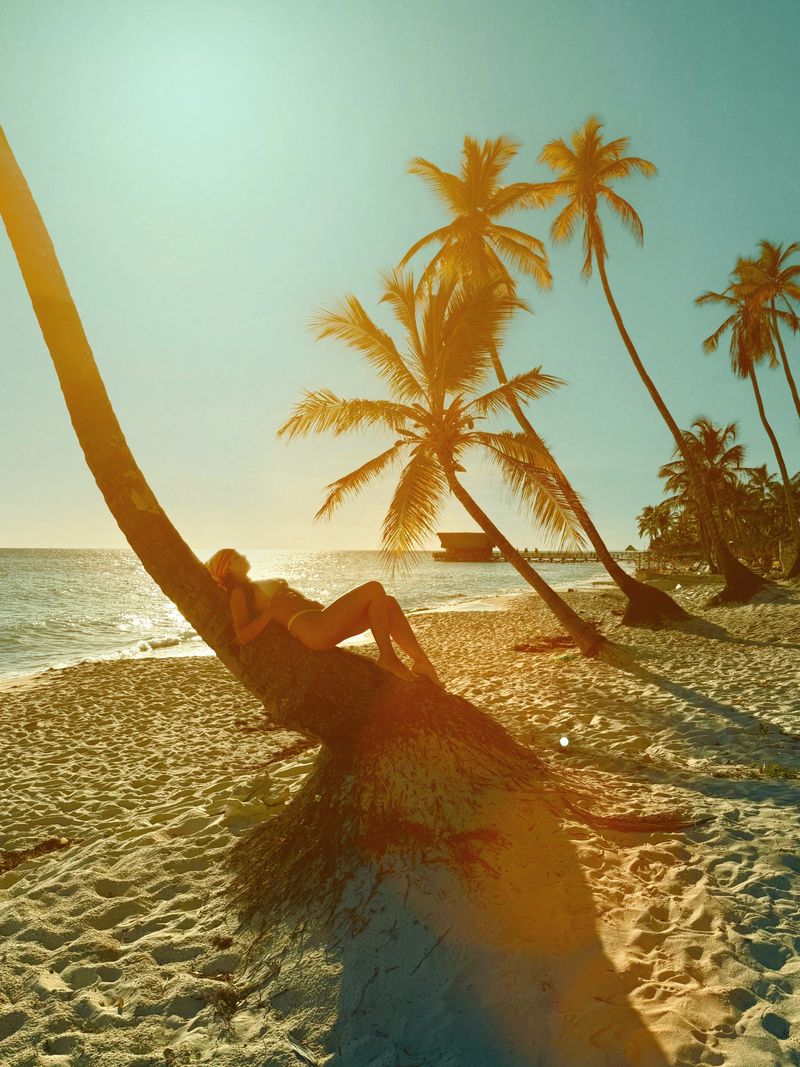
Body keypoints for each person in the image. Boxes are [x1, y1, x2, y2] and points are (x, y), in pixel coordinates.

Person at [205, 548, 441, 685]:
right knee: (374, 588)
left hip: (320, 621)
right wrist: (271, 612)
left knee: (387, 603)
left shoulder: (251, 585)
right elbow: (243, 635)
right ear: (227, 569)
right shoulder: (238, 592)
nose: (243, 556)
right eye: (236, 557)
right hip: (312, 629)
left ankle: (421, 662)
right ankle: (388, 658)